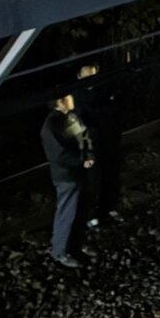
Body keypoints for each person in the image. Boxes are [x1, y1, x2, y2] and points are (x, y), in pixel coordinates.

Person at [40, 94, 95, 268]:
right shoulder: (50, 127)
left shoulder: (69, 117)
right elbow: (58, 155)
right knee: (67, 214)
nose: (72, 99)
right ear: (60, 102)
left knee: (80, 211)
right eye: (69, 97)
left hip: (78, 172)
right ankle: (60, 252)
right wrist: (82, 159)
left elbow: (83, 135)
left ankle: (75, 245)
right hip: (66, 176)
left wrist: (88, 153)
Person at [73, 62, 122, 228]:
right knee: (93, 180)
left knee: (111, 174)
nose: (91, 80)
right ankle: (91, 215)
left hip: (108, 140)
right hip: (91, 144)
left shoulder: (104, 88)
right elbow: (82, 121)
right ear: (79, 76)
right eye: (87, 76)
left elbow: (114, 110)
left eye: (93, 76)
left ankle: (109, 207)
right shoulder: (76, 96)